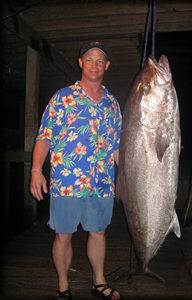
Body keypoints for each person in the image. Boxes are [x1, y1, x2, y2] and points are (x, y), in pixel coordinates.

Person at [30, 41, 123, 300]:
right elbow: (44, 136)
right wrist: (36, 170)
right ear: (80, 62)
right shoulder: (62, 97)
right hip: (67, 181)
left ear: (107, 65)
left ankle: (99, 282)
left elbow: (116, 147)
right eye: (89, 59)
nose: (95, 65)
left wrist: (127, 177)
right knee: (63, 236)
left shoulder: (113, 104)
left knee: (99, 232)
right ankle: (63, 286)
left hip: (103, 182)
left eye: (100, 60)